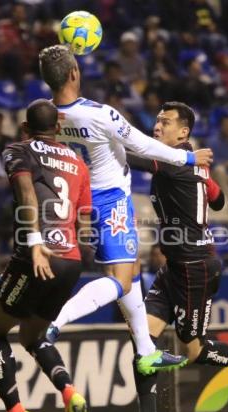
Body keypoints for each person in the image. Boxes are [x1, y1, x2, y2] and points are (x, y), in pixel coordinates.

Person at [39, 44, 213, 375]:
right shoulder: (99, 114)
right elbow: (141, 143)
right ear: (75, 73)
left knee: (131, 274)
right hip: (110, 200)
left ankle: (146, 351)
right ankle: (55, 322)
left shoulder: (48, 115)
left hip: (80, 198)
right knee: (119, 280)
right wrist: (188, 157)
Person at [117, 101, 228, 412]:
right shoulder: (189, 162)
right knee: (143, 339)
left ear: (184, 132)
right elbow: (219, 200)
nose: (157, 126)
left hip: (195, 269)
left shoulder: (173, 161)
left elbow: (132, 156)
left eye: (165, 122)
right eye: (157, 120)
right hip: (175, 267)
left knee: (195, 351)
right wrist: (201, 181)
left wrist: (98, 136)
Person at [0, 99, 91, 412]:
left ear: (25, 128)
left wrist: (37, 241)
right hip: (71, 261)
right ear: (58, 128)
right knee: (32, 336)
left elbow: (26, 191)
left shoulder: (19, 149)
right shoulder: (78, 161)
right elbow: (84, 221)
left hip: (37, 253)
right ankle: (70, 391)